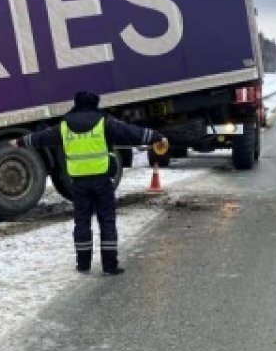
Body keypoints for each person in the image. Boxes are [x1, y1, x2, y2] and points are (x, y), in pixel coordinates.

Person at [12, 91, 166, 275]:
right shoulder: (105, 123)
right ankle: (109, 266)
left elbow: (42, 137)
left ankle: (83, 264)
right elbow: (132, 133)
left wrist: (20, 142)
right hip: (102, 181)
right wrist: (156, 136)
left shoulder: (64, 127)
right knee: (107, 222)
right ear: (95, 104)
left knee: (82, 222)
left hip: (78, 183)